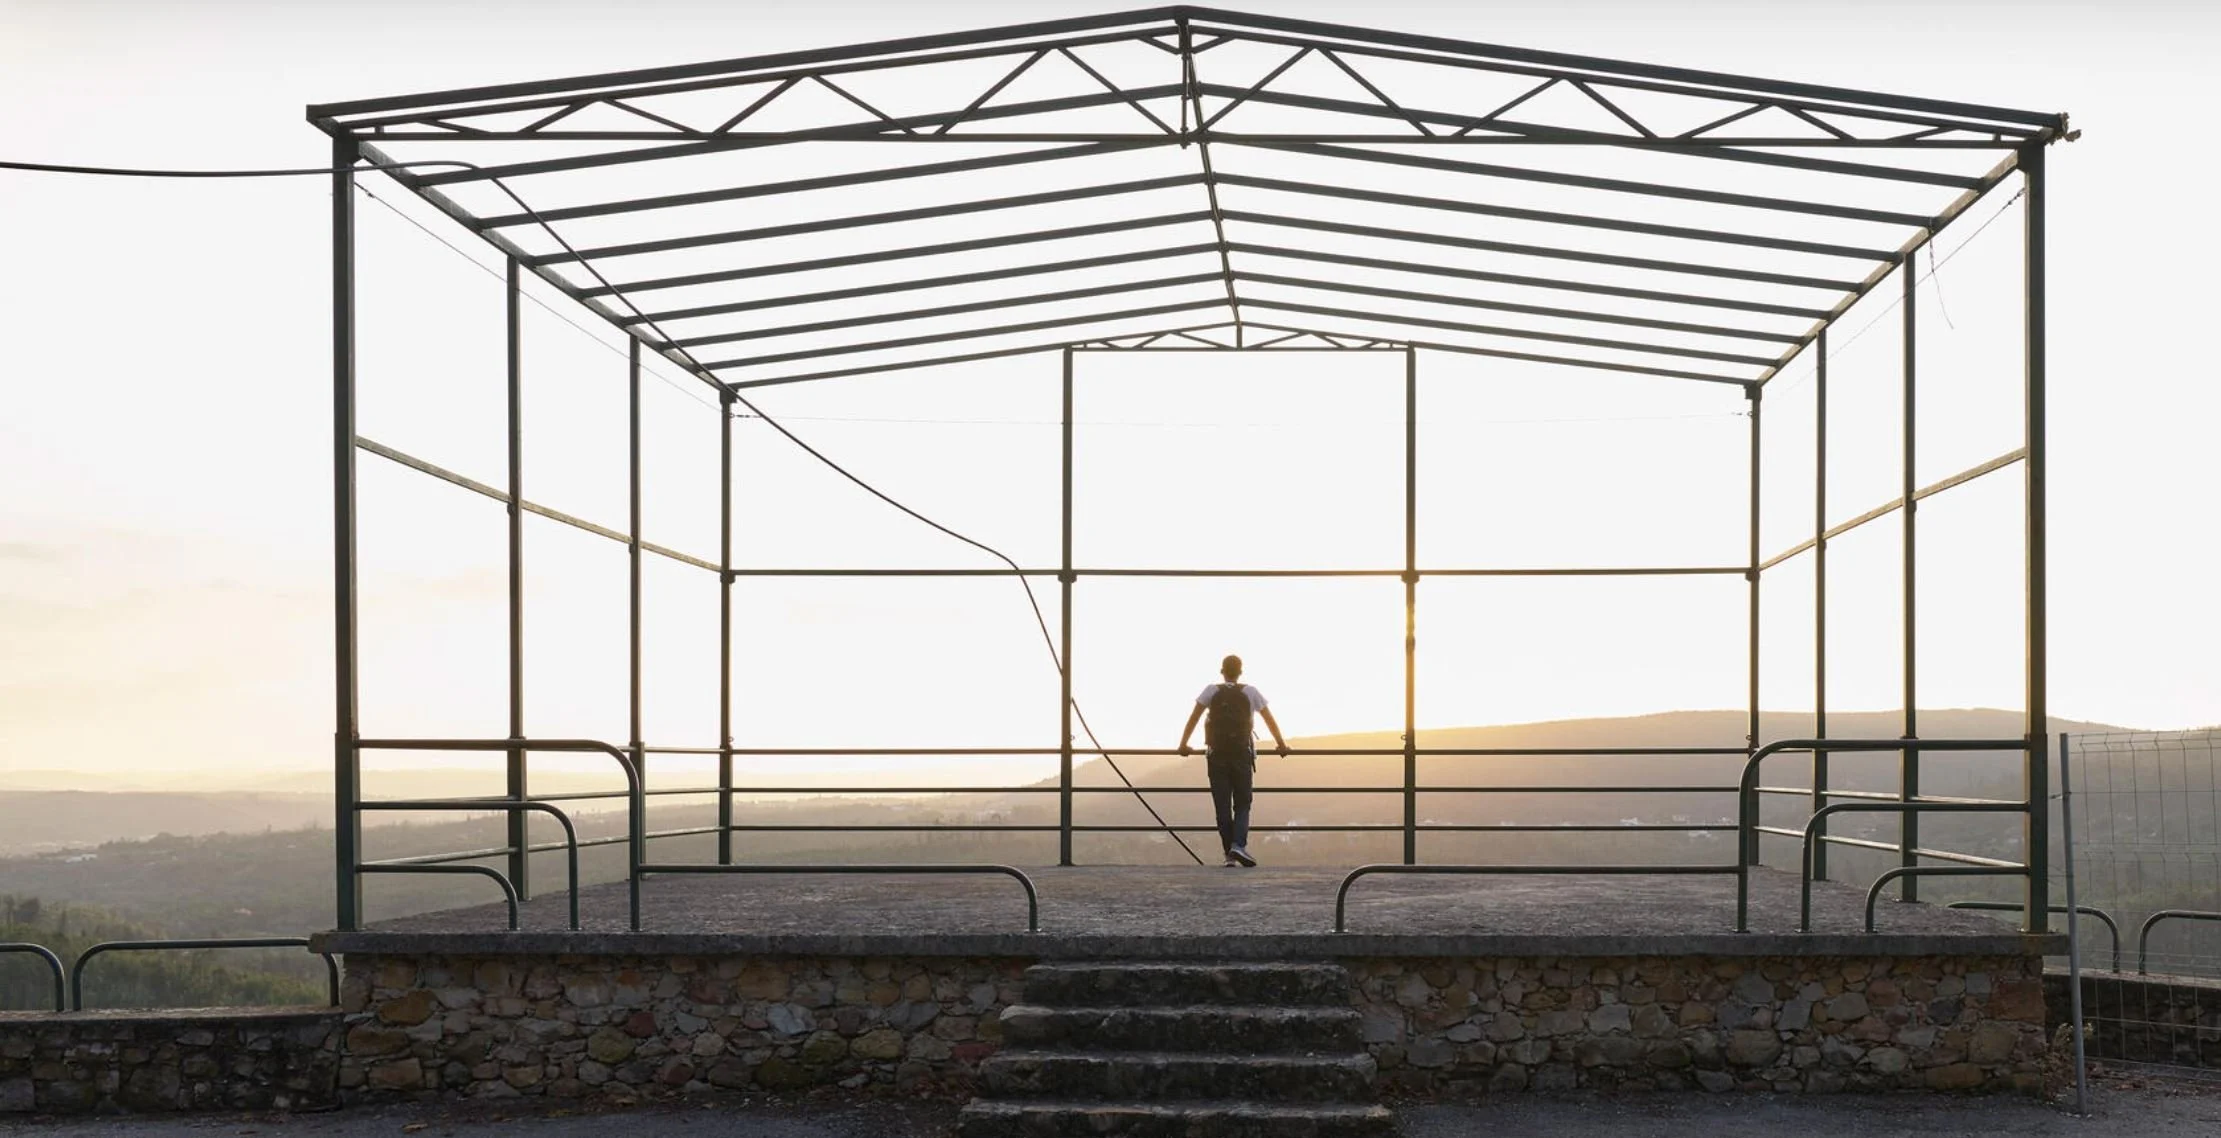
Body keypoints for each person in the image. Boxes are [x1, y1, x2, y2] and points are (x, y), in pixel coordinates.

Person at [1177, 654, 1288, 868]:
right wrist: (1281, 745)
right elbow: (1269, 719)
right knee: (1243, 804)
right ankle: (1238, 845)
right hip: (1241, 755)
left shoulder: (1211, 691)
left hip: (1216, 755)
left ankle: (1229, 855)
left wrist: (1183, 745)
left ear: (1222, 671)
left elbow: (1194, 717)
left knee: (1222, 806)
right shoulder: (1251, 692)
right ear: (1240, 672)